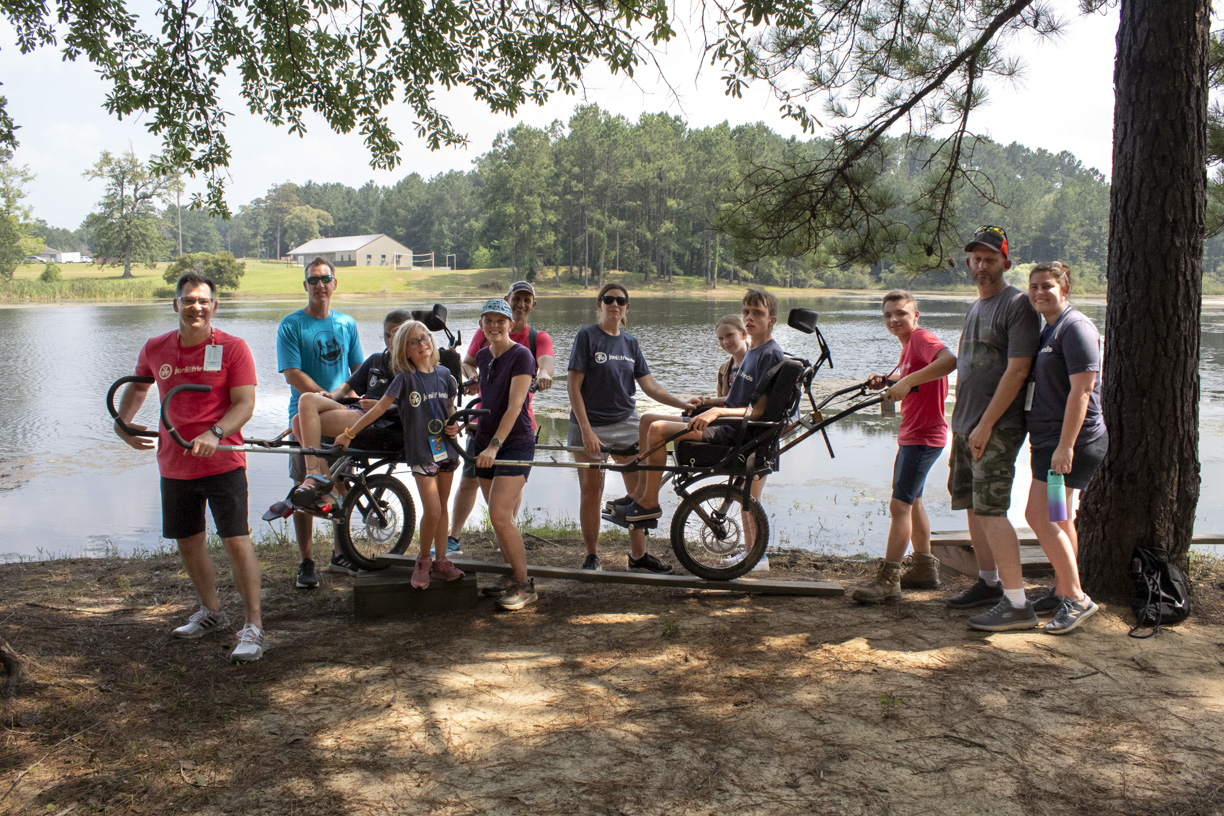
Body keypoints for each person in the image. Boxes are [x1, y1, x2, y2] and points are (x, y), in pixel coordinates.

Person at [114, 273, 264, 662]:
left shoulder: (233, 348)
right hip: (175, 463)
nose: (195, 307)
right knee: (189, 541)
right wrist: (124, 424)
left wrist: (215, 433)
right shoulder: (156, 347)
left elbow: (245, 404)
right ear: (175, 304)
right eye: (187, 300)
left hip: (223, 460)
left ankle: (253, 625)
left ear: (215, 306)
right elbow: (139, 386)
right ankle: (212, 611)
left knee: (235, 540)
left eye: (202, 301)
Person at [615, 289, 785, 559]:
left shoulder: (770, 355)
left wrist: (715, 414)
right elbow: (735, 397)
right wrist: (709, 402)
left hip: (733, 433)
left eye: (757, 314)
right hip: (726, 422)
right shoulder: (753, 352)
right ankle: (640, 495)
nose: (749, 318)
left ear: (772, 320)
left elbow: (758, 412)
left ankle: (649, 503)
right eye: (746, 312)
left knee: (658, 429)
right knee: (648, 419)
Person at [310, 319, 466, 590]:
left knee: (443, 510)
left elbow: (450, 408)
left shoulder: (445, 375)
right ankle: (423, 560)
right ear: (404, 351)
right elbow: (378, 410)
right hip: (421, 452)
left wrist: (455, 423)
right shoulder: (404, 378)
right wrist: (349, 433)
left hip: (447, 451)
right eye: (414, 342)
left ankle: (442, 559)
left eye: (425, 337)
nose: (422, 344)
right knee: (433, 510)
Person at [944, 226, 1043, 632]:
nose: (982, 265)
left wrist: (986, 425)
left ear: (1006, 262)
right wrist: (965, 425)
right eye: (976, 259)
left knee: (992, 510)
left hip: (996, 427)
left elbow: (1018, 369)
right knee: (971, 503)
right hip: (966, 424)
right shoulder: (976, 306)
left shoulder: (1017, 305)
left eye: (990, 259)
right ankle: (988, 583)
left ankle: (1018, 604)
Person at [568, 282, 692, 573]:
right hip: (589, 425)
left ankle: (638, 557)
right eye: (608, 299)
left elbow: (650, 387)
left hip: (626, 424)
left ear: (626, 308)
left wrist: (683, 404)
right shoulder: (586, 337)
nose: (614, 304)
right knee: (591, 490)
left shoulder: (631, 343)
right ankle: (591, 556)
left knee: (638, 494)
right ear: (599, 304)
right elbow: (573, 387)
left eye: (620, 301)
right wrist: (586, 430)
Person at [851, 291, 956, 603]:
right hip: (914, 435)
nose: (894, 320)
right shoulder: (909, 347)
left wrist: (906, 382)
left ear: (916, 316)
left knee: (899, 507)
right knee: (915, 502)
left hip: (924, 437)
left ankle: (888, 580)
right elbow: (914, 376)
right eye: (888, 315)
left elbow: (949, 361)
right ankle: (924, 569)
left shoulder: (922, 338)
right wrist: (889, 380)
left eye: (900, 313)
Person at [1023, 262, 1106, 634]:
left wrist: (1065, 447)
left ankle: (1077, 598)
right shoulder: (1050, 329)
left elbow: (1083, 390)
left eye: (1048, 286)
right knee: (1060, 517)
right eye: (1034, 286)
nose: (1040, 292)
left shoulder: (1075, 328)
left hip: (1067, 444)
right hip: (1050, 443)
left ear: (1065, 288)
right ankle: (1063, 590)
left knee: (1038, 516)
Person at [447, 281, 555, 556]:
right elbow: (468, 362)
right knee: (469, 478)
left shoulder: (535, 338)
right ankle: (454, 537)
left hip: (517, 424)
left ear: (533, 304)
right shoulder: (486, 334)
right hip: (481, 422)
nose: (521, 304)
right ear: (507, 299)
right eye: (517, 298)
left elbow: (546, 363)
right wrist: (475, 379)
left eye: (527, 299)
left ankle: (507, 535)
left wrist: (543, 374)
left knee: (509, 484)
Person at [276, 258, 364, 589]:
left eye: (326, 279)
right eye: (313, 280)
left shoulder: (347, 324)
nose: (320, 285)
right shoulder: (291, 325)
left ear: (335, 284)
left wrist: (354, 400)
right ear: (305, 286)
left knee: (341, 483)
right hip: (304, 416)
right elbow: (292, 374)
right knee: (305, 491)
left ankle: (341, 554)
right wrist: (321, 394)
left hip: (340, 416)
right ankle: (306, 560)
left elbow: (358, 370)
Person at [287, 309, 411, 503]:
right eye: (387, 335)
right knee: (302, 409)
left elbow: (415, 407)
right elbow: (346, 388)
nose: (390, 340)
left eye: (396, 334)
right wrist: (330, 396)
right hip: (357, 411)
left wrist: (383, 406)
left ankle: (315, 476)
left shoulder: (411, 368)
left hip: (381, 424)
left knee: (300, 419)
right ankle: (322, 478)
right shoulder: (376, 360)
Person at [469, 299, 539, 609]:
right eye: (489, 320)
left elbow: (514, 406)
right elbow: (488, 398)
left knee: (499, 514)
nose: (495, 326)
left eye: (501, 320)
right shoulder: (483, 356)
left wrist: (495, 445)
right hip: (484, 440)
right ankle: (512, 574)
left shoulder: (522, 356)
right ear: (481, 325)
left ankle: (525, 585)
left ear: (511, 324)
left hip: (514, 442)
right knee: (502, 518)